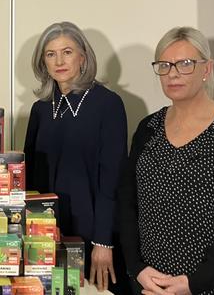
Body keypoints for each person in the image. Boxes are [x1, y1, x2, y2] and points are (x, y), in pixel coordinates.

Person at [119, 27, 214, 295]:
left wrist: (194, 282)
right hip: (151, 284)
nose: (173, 73)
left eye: (185, 64)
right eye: (164, 65)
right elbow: (128, 205)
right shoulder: (147, 128)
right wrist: (137, 268)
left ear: (207, 69)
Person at [24, 21, 130, 293]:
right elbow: (30, 181)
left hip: (95, 236)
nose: (59, 61)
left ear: (83, 56)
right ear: (42, 62)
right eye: (50, 54)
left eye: (67, 52)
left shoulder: (108, 104)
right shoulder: (40, 110)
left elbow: (113, 180)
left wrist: (103, 243)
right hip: (48, 235)